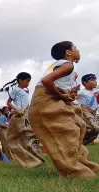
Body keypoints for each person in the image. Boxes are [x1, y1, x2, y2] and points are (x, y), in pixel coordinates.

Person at [28, 41, 99, 178]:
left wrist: (68, 93)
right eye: (75, 48)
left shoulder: (62, 66)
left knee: (80, 125)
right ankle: (74, 171)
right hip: (45, 103)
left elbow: (54, 83)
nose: (78, 51)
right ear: (68, 52)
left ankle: (80, 162)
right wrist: (61, 95)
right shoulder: (67, 65)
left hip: (53, 100)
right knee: (69, 132)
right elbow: (47, 81)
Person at [0, 72, 45, 168]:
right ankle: (30, 159)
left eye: (29, 81)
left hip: (27, 113)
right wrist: (17, 110)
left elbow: (27, 103)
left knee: (31, 136)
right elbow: (8, 103)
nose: (28, 83)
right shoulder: (15, 90)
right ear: (20, 80)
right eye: (27, 81)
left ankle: (37, 157)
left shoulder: (26, 91)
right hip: (20, 115)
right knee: (25, 136)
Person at [76, 74, 99, 145]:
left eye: (95, 79)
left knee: (94, 131)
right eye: (92, 80)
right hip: (85, 111)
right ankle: (81, 141)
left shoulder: (97, 91)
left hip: (94, 112)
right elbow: (73, 97)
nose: (95, 81)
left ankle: (81, 142)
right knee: (95, 128)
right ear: (85, 83)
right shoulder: (82, 92)